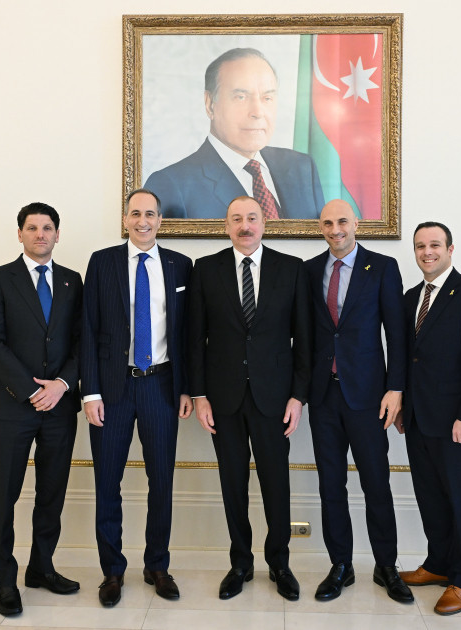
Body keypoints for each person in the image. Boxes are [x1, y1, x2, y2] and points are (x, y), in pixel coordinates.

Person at [187, 196, 311, 601]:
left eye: (252, 218)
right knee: (233, 483)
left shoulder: (291, 269)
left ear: (264, 223)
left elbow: (304, 340)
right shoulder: (205, 269)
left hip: (274, 398)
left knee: (276, 484)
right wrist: (200, 394)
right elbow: (195, 339)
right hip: (223, 398)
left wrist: (297, 396)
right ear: (227, 226)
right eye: (237, 219)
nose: (245, 225)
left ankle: (279, 563)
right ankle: (240, 562)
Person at [80, 189, 193, 607]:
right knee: (108, 482)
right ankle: (112, 570)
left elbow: (188, 335)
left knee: (161, 481)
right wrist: (90, 392)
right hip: (112, 390)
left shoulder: (181, 265)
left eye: (150, 214)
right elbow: (87, 329)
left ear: (160, 220)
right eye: (135, 213)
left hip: (160, 386)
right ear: (125, 219)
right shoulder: (102, 262)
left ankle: (157, 565)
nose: (142, 221)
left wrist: (187, 388)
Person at [303, 200, 413, 604]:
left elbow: (397, 334)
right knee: (331, 484)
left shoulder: (382, 267)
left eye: (342, 221)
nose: (335, 229)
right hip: (323, 396)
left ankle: (386, 566)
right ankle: (341, 566)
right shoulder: (309, 270)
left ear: (356, 224)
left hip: (369, 397)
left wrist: (396, 388)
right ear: (320, 228)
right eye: (327, 223)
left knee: (376, 482)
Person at [0, 202, 84, 617]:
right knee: (5, 494)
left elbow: (82, 341)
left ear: (58, 234)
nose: (41, 234)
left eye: (48, 227)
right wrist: (28, 391)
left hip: (59, 406)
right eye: (33, 227)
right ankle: (6, 580)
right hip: (12, 407)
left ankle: (42, 568)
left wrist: (61, 385)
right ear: (19, 233)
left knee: (51, 492)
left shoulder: (73, 281)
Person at [394, 222, 461, 615]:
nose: (427, 252)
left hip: (457, 423)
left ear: (450, 249)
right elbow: (408, 358)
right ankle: (439, 564)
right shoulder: (411, 298)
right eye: (420, 246)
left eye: (435, 245)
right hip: (417, 419)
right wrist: (403, 406)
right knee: (431, 498)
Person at [144, 47, 325, 219]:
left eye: (267, 98)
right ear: (210, 104)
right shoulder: (171, 185)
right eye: (241, 97)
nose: (257, 112)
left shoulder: (302, 168)